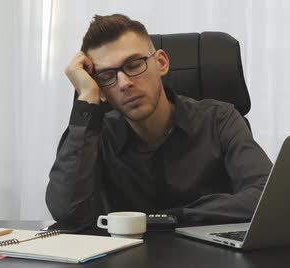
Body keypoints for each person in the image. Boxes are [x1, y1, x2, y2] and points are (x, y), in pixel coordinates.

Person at [46, 14, 272, 229]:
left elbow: (265, 195)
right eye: (107, 76)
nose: (124, 83)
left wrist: (171, 218)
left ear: (162, 63)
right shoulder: (97, 136)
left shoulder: (220, 119)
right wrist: (86, 99)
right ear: (101, 90)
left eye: (134, 65)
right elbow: (67, 212)